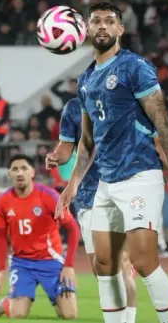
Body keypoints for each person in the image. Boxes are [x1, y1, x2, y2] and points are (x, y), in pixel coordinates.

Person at [55, 2, 168, 323]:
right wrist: (72, 185)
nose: (102, 26)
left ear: (120, 29)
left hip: (139, 174)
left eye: (109, 21)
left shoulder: (135, 67)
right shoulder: (86, 80)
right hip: (105, 181)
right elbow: (88, 141)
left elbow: (162, 121)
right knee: (104, 265)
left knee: (144, 261)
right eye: (96, 21)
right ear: (86, 30)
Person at [47, 97, 138, 323]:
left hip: (119, 190)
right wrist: (56, 157)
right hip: (88, 194)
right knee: (100, 268)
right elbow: (67, 147)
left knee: (121, 262)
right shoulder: (74, 107)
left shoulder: (124, 102)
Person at [0, 154, 80, 319]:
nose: (19, 173)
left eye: (24, 168)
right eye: (15, 169)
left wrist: (69, 265)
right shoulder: (3, 201)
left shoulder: (49, 196)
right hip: (22, 263)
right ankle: (8, 303)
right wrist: (1, 268)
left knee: (69, 315)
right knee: (18, 314)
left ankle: (15, 299)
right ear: (9, 174)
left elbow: (73, 229)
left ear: (32, 172)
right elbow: (0, 237)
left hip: (51, 261)